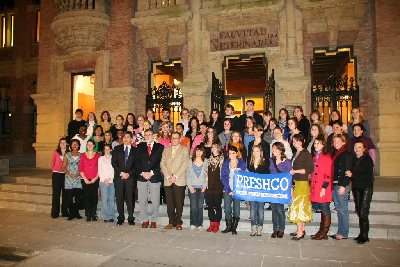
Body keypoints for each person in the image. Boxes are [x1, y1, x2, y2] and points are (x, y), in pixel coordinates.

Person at [160, 131, 189, 230]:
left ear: (180, 139)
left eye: (177, 138)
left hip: (179, 180)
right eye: (173, 138)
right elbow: (162, 164)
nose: (175, 140)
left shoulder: (185, 150)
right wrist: (168, 176)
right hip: (168, 180)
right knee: (170, 202)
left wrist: (175, 176)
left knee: (179, 202)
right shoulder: (166, 150)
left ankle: (178, 222)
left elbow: (185, 164)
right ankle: (171, 222)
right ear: (170, 139)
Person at [347, 140, 374, 244]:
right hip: (356, 187)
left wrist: (352, 175)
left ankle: (365, 235)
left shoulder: (367, 159)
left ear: (364, 149)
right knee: (359, 211)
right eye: (355, 147)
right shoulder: (354, 159)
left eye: (359, 147)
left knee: (363, 212)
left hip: (366, 187)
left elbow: (368, 176)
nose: (357, 149)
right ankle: (361, 234)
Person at [136, 128, 164, 229]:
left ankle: (153, 220)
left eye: (149, 134)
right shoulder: (139, 146)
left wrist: (151, 172)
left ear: (153, 136)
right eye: (146, 135)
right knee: (142, 200)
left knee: (155, 200)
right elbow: (137, 162)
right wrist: (143, 173)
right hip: (142, 177)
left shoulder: (160, 147)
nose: (147, 136)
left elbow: (161, 162)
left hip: (154, 177)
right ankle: (144, 219)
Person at [288, 133, 314, 240]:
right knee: (300, 205)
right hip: (296, 182)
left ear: (302, 141)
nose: (295, 143)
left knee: (298, 206)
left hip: (302, 182)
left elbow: (310, 169)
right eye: (293, 141)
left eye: (297, 141)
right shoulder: (296, 153)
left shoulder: (305, 153)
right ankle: (301, 230)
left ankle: (299, 232)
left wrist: (295, 171)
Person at [111, 131, 137, 225]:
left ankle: (131, 218)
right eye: (124, 137)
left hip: (130, 178)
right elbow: (114, 162)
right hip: (119, 177)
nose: (125, 139)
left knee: (130, 198)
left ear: (131, 139)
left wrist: (128, 174)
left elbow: (136, 165)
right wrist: (121, 173)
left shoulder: (135, 150)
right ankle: (120, 218)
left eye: (127, 137)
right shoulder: (117, 148)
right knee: (119, 199)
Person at [330, 134, 353, 240]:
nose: (336, 142)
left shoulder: (346, 154)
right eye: (334, 141)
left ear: (343, 142)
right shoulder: (334, 154)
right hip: (334, 184)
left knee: (343, 209)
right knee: (339, 209)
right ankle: (340, 232)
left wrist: (344, 185)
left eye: (338, 141)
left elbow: (348, 171)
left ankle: (344, 233)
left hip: (341, 184)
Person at [310, 136, 333, 240]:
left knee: (325, 209)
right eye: (315, 143)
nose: (316, 145)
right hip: (316, 186)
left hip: (323, 187)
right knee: (322, 209)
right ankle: (321, 231)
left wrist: (324, 188)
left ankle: (324, 232)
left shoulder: (326, 157)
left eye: (318, 143)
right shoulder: (315, 157)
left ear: (323, 145)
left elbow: (328, 174)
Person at [221, 146, 247, 235]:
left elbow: (245, 170)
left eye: (233, 153)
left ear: (236, 153)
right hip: (228, 189)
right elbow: (223, 177)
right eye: (229, 153)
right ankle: (228, 226)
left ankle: (234, 228)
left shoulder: (241, 162)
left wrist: (241, 169)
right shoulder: (226, 163)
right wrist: (228, 189)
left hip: (238, 190)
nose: (231, 155)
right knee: (227, 209)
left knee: (236, 209)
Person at [270, 142, 292, 238]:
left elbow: (290, 177)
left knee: (280, 209)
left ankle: (281, 229)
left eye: (275, 149)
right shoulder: (271, 160)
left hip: (282, 189)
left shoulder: (287, 162)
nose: (273, 150)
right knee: (274, 209)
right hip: (272, 188)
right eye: (273, 149)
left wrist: (291, 190)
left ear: (281, 150)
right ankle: (275, 229)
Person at [248, 145, 269, 236]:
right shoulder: (250, 164)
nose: (255, 153)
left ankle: (260, 228)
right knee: (252, 210)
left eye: (257, 151)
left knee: (260, 210)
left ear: (260, 152)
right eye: (254, 151)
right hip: (252, 190)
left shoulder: (265, 163)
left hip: (261, 190)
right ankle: (253, 228)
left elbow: (267, 176)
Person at [186, 145, 208, 230]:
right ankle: (193, 223)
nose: (198, 152)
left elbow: (207, 175)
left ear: (203, 152)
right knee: (193, 207)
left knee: (199, 206)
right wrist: (190, 187)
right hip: (192, 187)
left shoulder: (206, 161)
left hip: (202, 187)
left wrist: (205, 186)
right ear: (195, 151)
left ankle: (199, 224)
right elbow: (187, 175)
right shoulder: (190, 161)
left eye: (200, 151)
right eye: (197, 150)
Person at [79, 139, 101, 222]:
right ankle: (88, 215)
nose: (90, 146)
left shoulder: (98, 155)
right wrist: (85, 179)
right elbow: (81, 169)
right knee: (87, 197)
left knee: (94, 198)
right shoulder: (83, 155)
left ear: (94, 146)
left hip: (95, 179)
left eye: (91, 144)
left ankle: (93, 214)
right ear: (86, 146)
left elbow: (100, 168)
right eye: (88, 144)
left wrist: (95, 178)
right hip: (85, 180)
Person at [205, 142, 225, 233]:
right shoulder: (208, 159)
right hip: (209, 186)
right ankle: (212, 223)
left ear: (219, 148)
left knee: (217, 206)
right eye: (212, 147)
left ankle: (217, 224)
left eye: (215, 147)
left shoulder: (223, 159)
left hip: (218, 186)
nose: (213, 148)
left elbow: (222, 174)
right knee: (210, 206)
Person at [62, 139, 83, 220]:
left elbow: (83, 167)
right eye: (73, 144)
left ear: (79, 146)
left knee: (77, 197)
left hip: (78, 178)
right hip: (69, 178)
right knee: (70, 197)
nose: (75, 145)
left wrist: (78, 174)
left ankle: (76, 213)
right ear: (70, 146)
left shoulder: (81, 155)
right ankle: (71, 214)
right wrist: (69, 174)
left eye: (76, 144)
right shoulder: (67, 155)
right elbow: (63, 166)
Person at [50, 137, 69, 218]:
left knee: (65, 194)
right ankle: (55, 213)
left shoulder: (69, 153)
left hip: (65, 175)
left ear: (66, 144)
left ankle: (64, 212)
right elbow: (52, 162)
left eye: (64, 142)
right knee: (56, 194)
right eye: (61, 143)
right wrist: (55, 169)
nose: (63, 144)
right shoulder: (56, 152)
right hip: (56, 175)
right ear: (59, 144)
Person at [98, 144, 115, 222]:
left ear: (111, 150)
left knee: (111, 199)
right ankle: (105, 216)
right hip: (103, 181)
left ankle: (111, 216)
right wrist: (105, 179)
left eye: (108, 149)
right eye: (105, 149)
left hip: (111, 181)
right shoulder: (101, 158)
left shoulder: (113, 158)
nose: (107, 150)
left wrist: (109, 179)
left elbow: (114, 170)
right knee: (104, 199)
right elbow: (99, 170)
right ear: (103, 150)